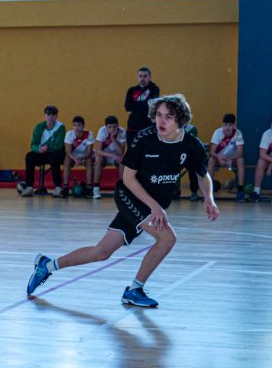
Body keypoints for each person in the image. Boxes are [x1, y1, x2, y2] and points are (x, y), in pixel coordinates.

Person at [26, 94, 218, 309]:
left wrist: (209, 198)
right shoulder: (144, 139)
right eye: (158, 115)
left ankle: (47, 266)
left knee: (101, 252)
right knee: (167, 239)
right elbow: (128, 177)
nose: (161, 121)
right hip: (130, 195)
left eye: (168, 117)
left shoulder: (191, 145)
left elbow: (203, 175)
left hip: (151, 203)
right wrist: (154, 206)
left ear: (181, 119)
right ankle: (135, 290)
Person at [18, 106, 64, 196]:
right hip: (42, 153)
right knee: (29, 156)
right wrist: (39, 149)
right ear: (44, 116)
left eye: (53, 115)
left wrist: (47, 148)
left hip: (55, 153)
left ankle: (58, 187)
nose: (50, 117)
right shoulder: (39, 127)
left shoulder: (61, 127)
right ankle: (29, 187)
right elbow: (33, 144)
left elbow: (59, 145)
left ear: (56, 116)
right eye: (48, 115)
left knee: (54, 157)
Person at [208, 113, 245, 203]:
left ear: (234, 125)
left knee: (240, 160)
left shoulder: (238, 133)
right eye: (225, 125)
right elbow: (212, 151)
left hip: (232, 159)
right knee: (211, 160)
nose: (227, 127)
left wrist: (230, 159)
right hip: (218, 159)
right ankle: (208, 191)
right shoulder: (217, 132)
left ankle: (240, 190)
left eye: (230, 125)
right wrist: (219, 157)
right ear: (222, 124)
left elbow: (240, 152)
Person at [92, 114, 126, 199]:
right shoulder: (102, 131)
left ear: (118, 125)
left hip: (117, 156)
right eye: (109, 127)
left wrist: (113, 138)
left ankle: (122, 188)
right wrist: (113, 155)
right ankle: (96, 189)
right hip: (105, 155)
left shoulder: (122, 131)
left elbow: (121, 151)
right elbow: (98, 151)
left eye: (114, 127)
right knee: (98, 159)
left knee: (123, 160)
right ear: (106, 127)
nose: (112, 129)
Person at [124, 67, 160, 145]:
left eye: (145, 76)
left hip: (148, 125)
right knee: (132, 149)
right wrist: (145, 105)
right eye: (140, 76)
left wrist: (135, 106)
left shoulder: (154, 89)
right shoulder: (131, 90)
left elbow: (151, 105)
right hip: (133, 126)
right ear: (137, 77)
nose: (142, 78)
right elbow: (127, 106)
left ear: (149, 77)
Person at [59, 115, 93, 197]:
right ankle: (66, 187)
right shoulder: (69, 134)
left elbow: (89, 152)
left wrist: (81, 158)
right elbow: (68, 152)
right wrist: (75, 159)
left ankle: (89, 188)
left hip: (85, 156)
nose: (76, 128)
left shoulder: (89, 134)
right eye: (74, 125)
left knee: (89, 161)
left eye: (79, 125)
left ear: (83, 126)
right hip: (73, 156)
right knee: (67, 160)